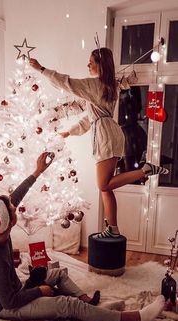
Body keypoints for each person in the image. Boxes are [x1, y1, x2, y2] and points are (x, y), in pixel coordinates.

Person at [0, 152, 165, 321]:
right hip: (7, 307)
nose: (14, 207)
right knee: (67, 305)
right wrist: (40, 292)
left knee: (58, 274)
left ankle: (87, 303)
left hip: (16, 288)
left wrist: (37, 171)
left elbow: (15, 198)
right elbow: (9, 302)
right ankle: (136, 318)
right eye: (12, 210)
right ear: (7, 223)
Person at [29, 49, 169, 238]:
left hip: (106, 137)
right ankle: (113, 228)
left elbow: (67, 83)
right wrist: (69, 132)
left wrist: (42, 69)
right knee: (106, 188)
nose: (88, 65)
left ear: (101, 65)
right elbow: (90, 119)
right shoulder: (107, 86)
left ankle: (144, 170)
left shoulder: (96, 84)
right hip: (108, 133)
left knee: (103, 185)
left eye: (91, 62)